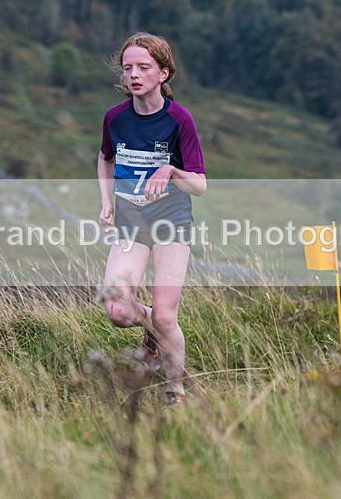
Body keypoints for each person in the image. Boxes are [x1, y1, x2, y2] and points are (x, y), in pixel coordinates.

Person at [97, 32, 206, 405]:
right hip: (130, 223)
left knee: (165, 316)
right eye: (128, 68)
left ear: (163, 73)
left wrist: (171, 170)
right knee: (116, 308)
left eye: (143, 67)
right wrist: (106, 201)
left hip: (170, 224)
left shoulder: (179, 120)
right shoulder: (115, 118)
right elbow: (105, 158)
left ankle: (174, 391)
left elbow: (200, 186)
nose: (134, 74)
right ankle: (153, 331)